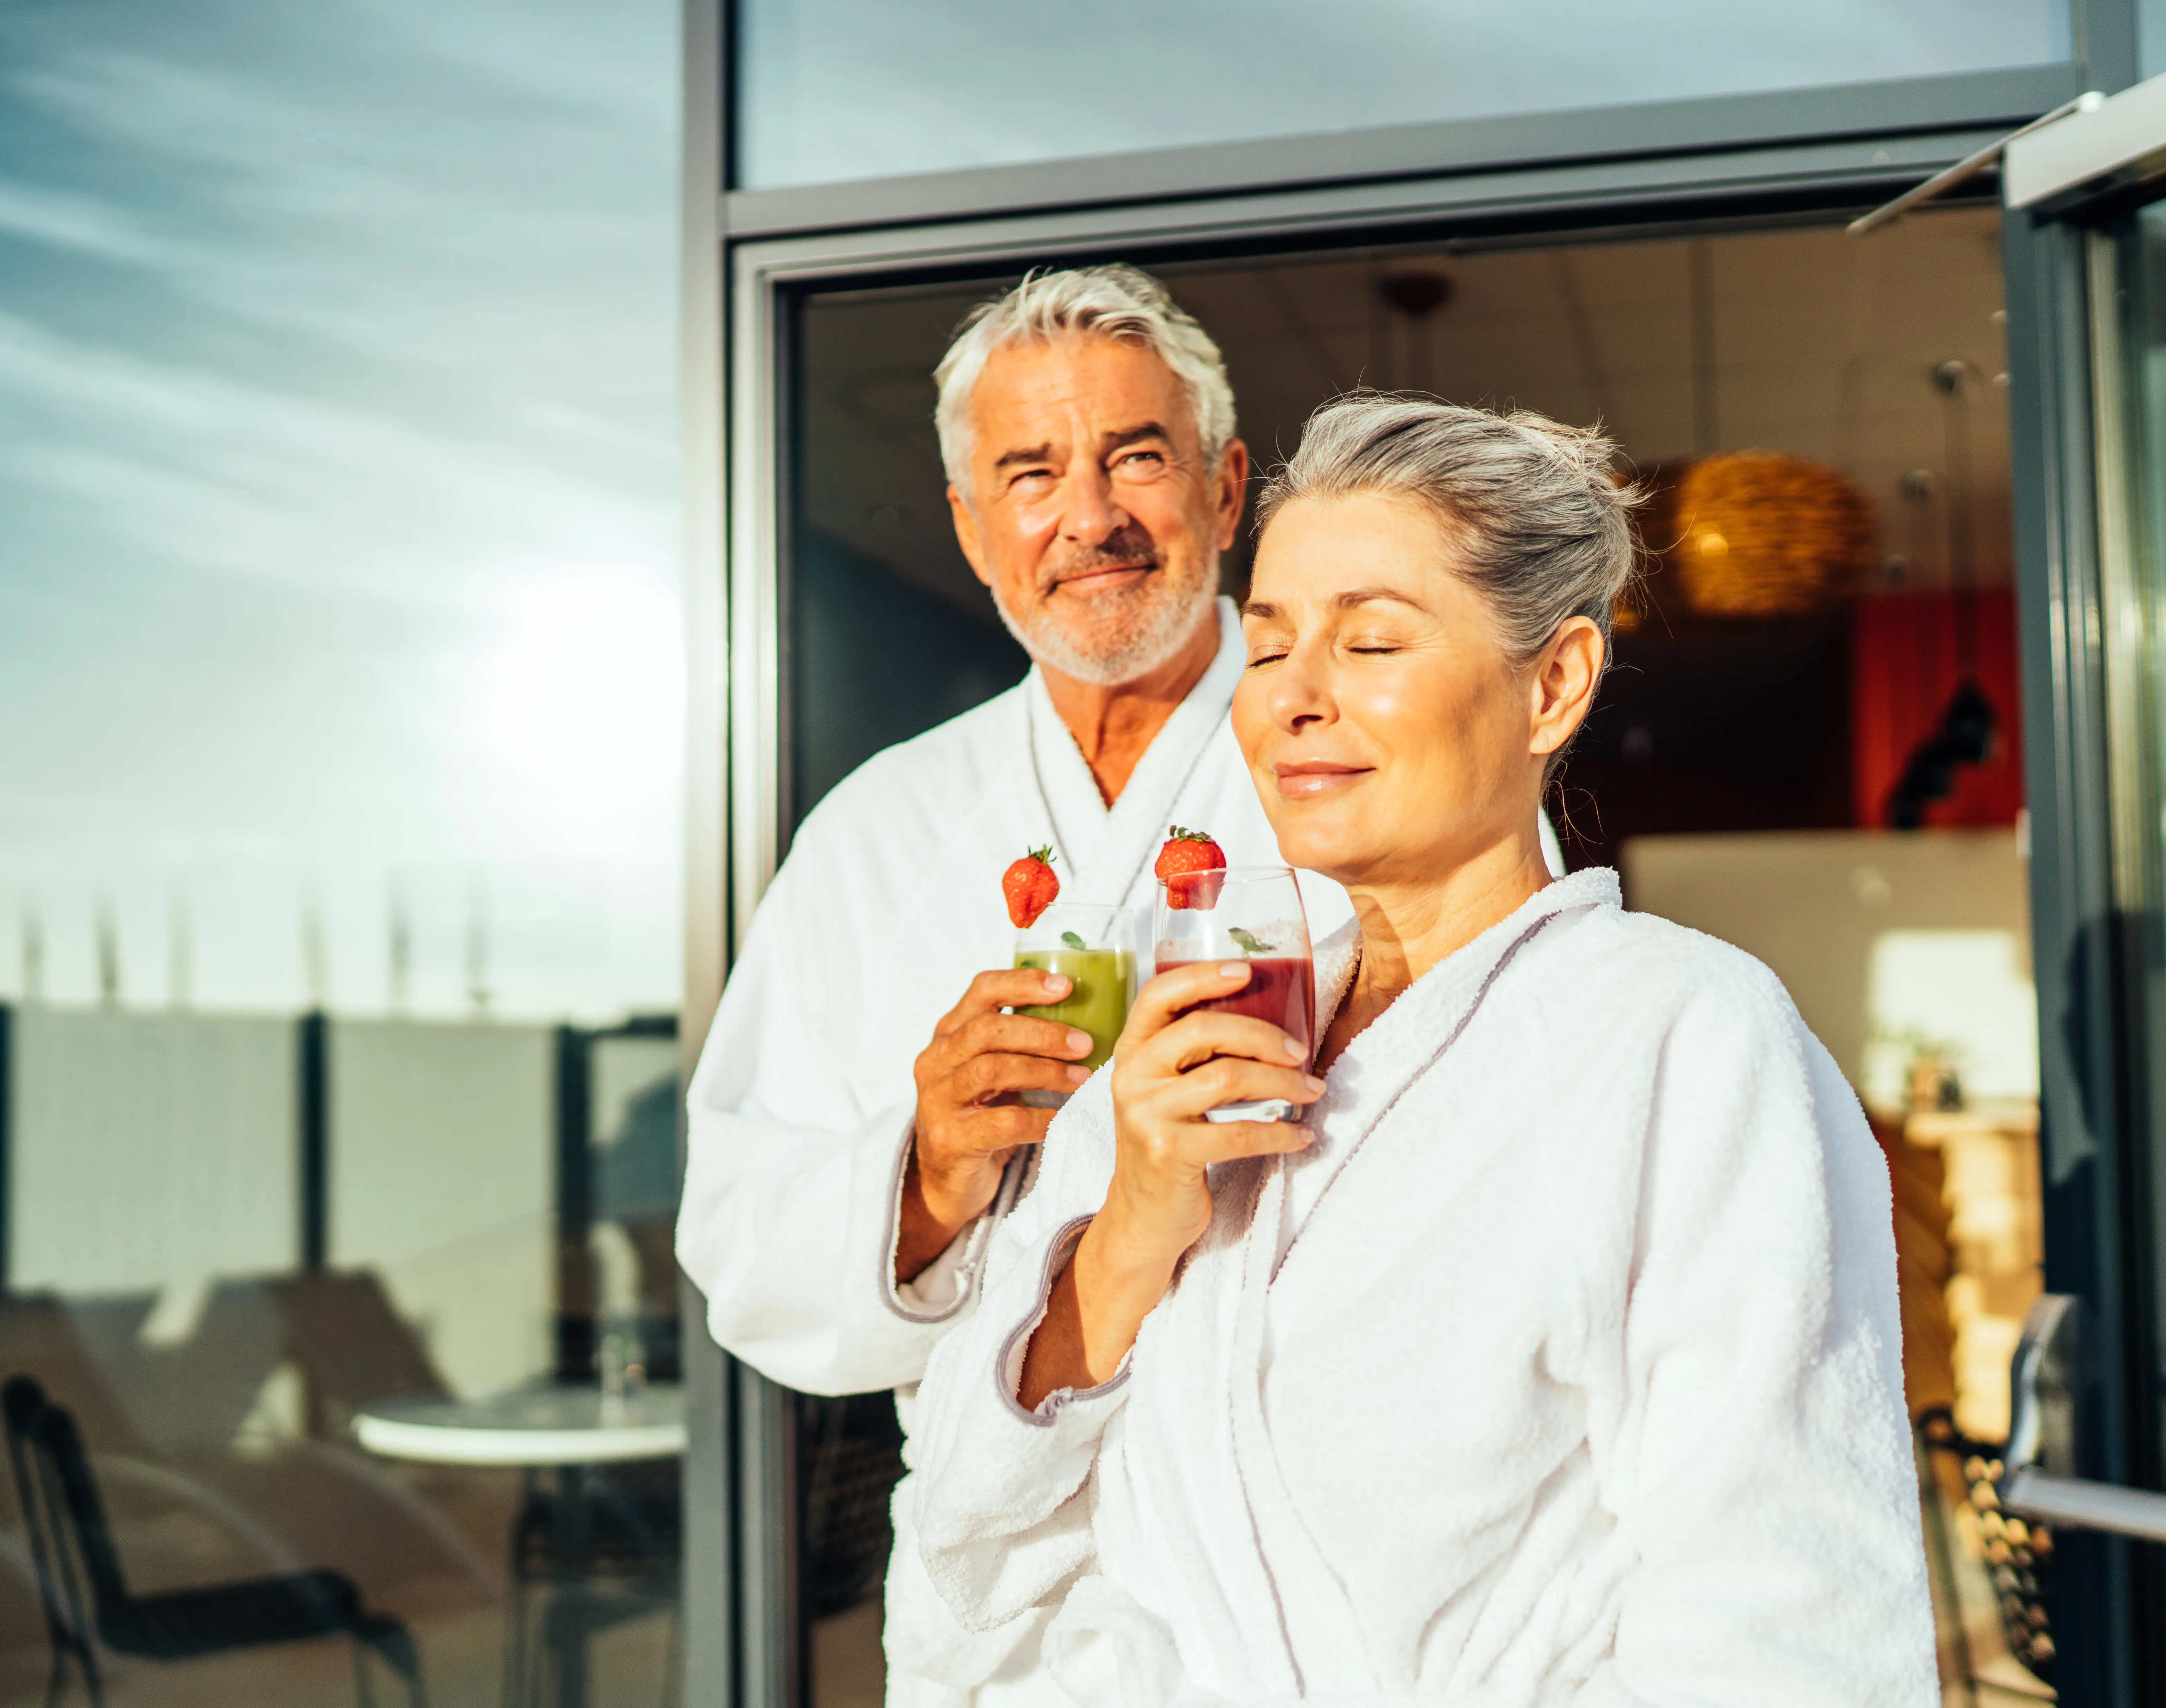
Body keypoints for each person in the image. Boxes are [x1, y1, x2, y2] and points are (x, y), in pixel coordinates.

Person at [909, 397, 1939, 1706]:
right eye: (1269, 647)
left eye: (1373, 640)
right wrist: (1126, 1234)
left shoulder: (1682, 1038)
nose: (1295, 699)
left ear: (1552, 684)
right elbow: (962, 1528)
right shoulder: (1201, 1018)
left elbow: (1782, 1612)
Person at [677, 265, 1358, 1704]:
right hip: (1008, 1613)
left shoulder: (1368, 759)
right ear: (973, 529)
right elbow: (736, 1239)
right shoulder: (882, 829)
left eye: (1134, 457)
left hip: (1317, 1575)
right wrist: (924, 1173)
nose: (1087, 517)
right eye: (1029, 472)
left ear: (1227, 490)